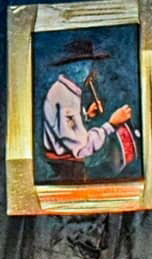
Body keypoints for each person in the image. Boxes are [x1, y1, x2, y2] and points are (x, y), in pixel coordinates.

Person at [42, 39, 132, 182]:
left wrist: (85, 116)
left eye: (87, 64)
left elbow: (66, 126)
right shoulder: (65, 97)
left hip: (65, 166)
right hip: (67, 170)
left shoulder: (64, 90)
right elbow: (81, 147)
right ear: (68, 67)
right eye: (78, 64)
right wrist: (111, 125)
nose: (83, 69)